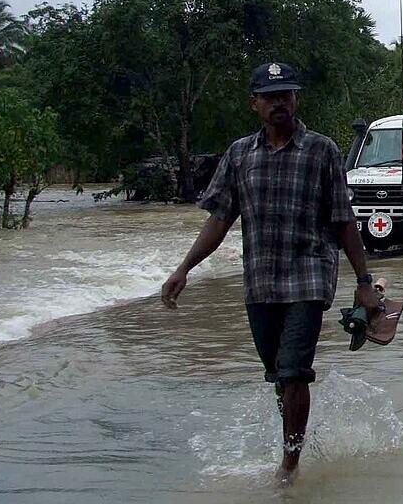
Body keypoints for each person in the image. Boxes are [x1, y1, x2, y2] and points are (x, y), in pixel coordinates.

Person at [160, 62, 380, 484]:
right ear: (255, 104)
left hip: (310, 277)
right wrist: (183, 268)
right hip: (261, 281)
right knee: (279, 375)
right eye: (271, 96)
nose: (280, 103)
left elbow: (343, 219)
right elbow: (219, 219)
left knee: (295, 370)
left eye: (287, 95)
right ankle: (294, 440)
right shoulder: (240, 154)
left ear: (296, 99)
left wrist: (364, 282)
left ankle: (289, 466)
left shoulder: (321, 150)